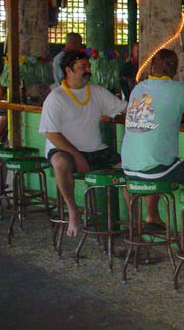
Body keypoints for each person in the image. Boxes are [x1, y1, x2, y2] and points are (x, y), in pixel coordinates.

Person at [39, 50, 127, 237]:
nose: (88, 70)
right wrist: (77, 155)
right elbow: (51, 133)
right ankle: (73, 211)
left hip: (95, 150)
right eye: (83, 67)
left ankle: (135, 223)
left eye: (88, 66)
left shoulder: (97, 91)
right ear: (68, 70)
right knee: (61, 161)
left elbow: (123, 108)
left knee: (128, 168)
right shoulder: (56, 97)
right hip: (63, 150)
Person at [121, 49, 184, 236]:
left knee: (160, 159)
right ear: (175, 69)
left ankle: (151, 216)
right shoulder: (179, 89)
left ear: (152, 67)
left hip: (128, 167)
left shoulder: (138, 87)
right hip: (155, 169)